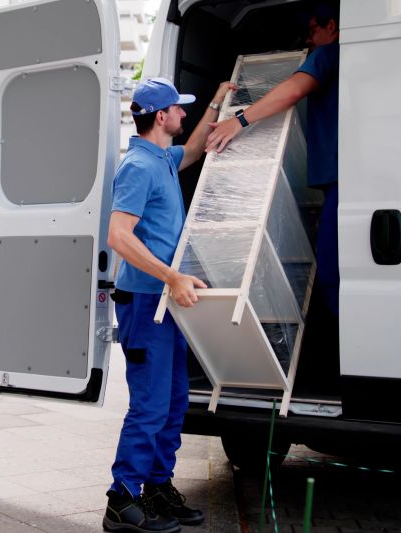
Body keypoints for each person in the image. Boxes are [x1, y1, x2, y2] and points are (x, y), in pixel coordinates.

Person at [104, 77, 236, 533]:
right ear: (161, 117)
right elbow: (118, 236)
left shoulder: (163, 157)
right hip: (144, 300)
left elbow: (196, 148)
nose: (183, 114)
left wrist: (220, 101)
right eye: (178, 109)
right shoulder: (138, 167)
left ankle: (158, 487)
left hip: (164, 300)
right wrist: (172, 276)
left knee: (175, 400)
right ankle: (121, 500)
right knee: (150, 404)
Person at [205, 2, 340, 316]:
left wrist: (237, 121)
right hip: (340, 182)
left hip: (339, 184)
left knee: (331, 275)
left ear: (330, 26)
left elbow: (292, 90)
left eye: (311, 30)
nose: (308, 41)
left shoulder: (329, 54)